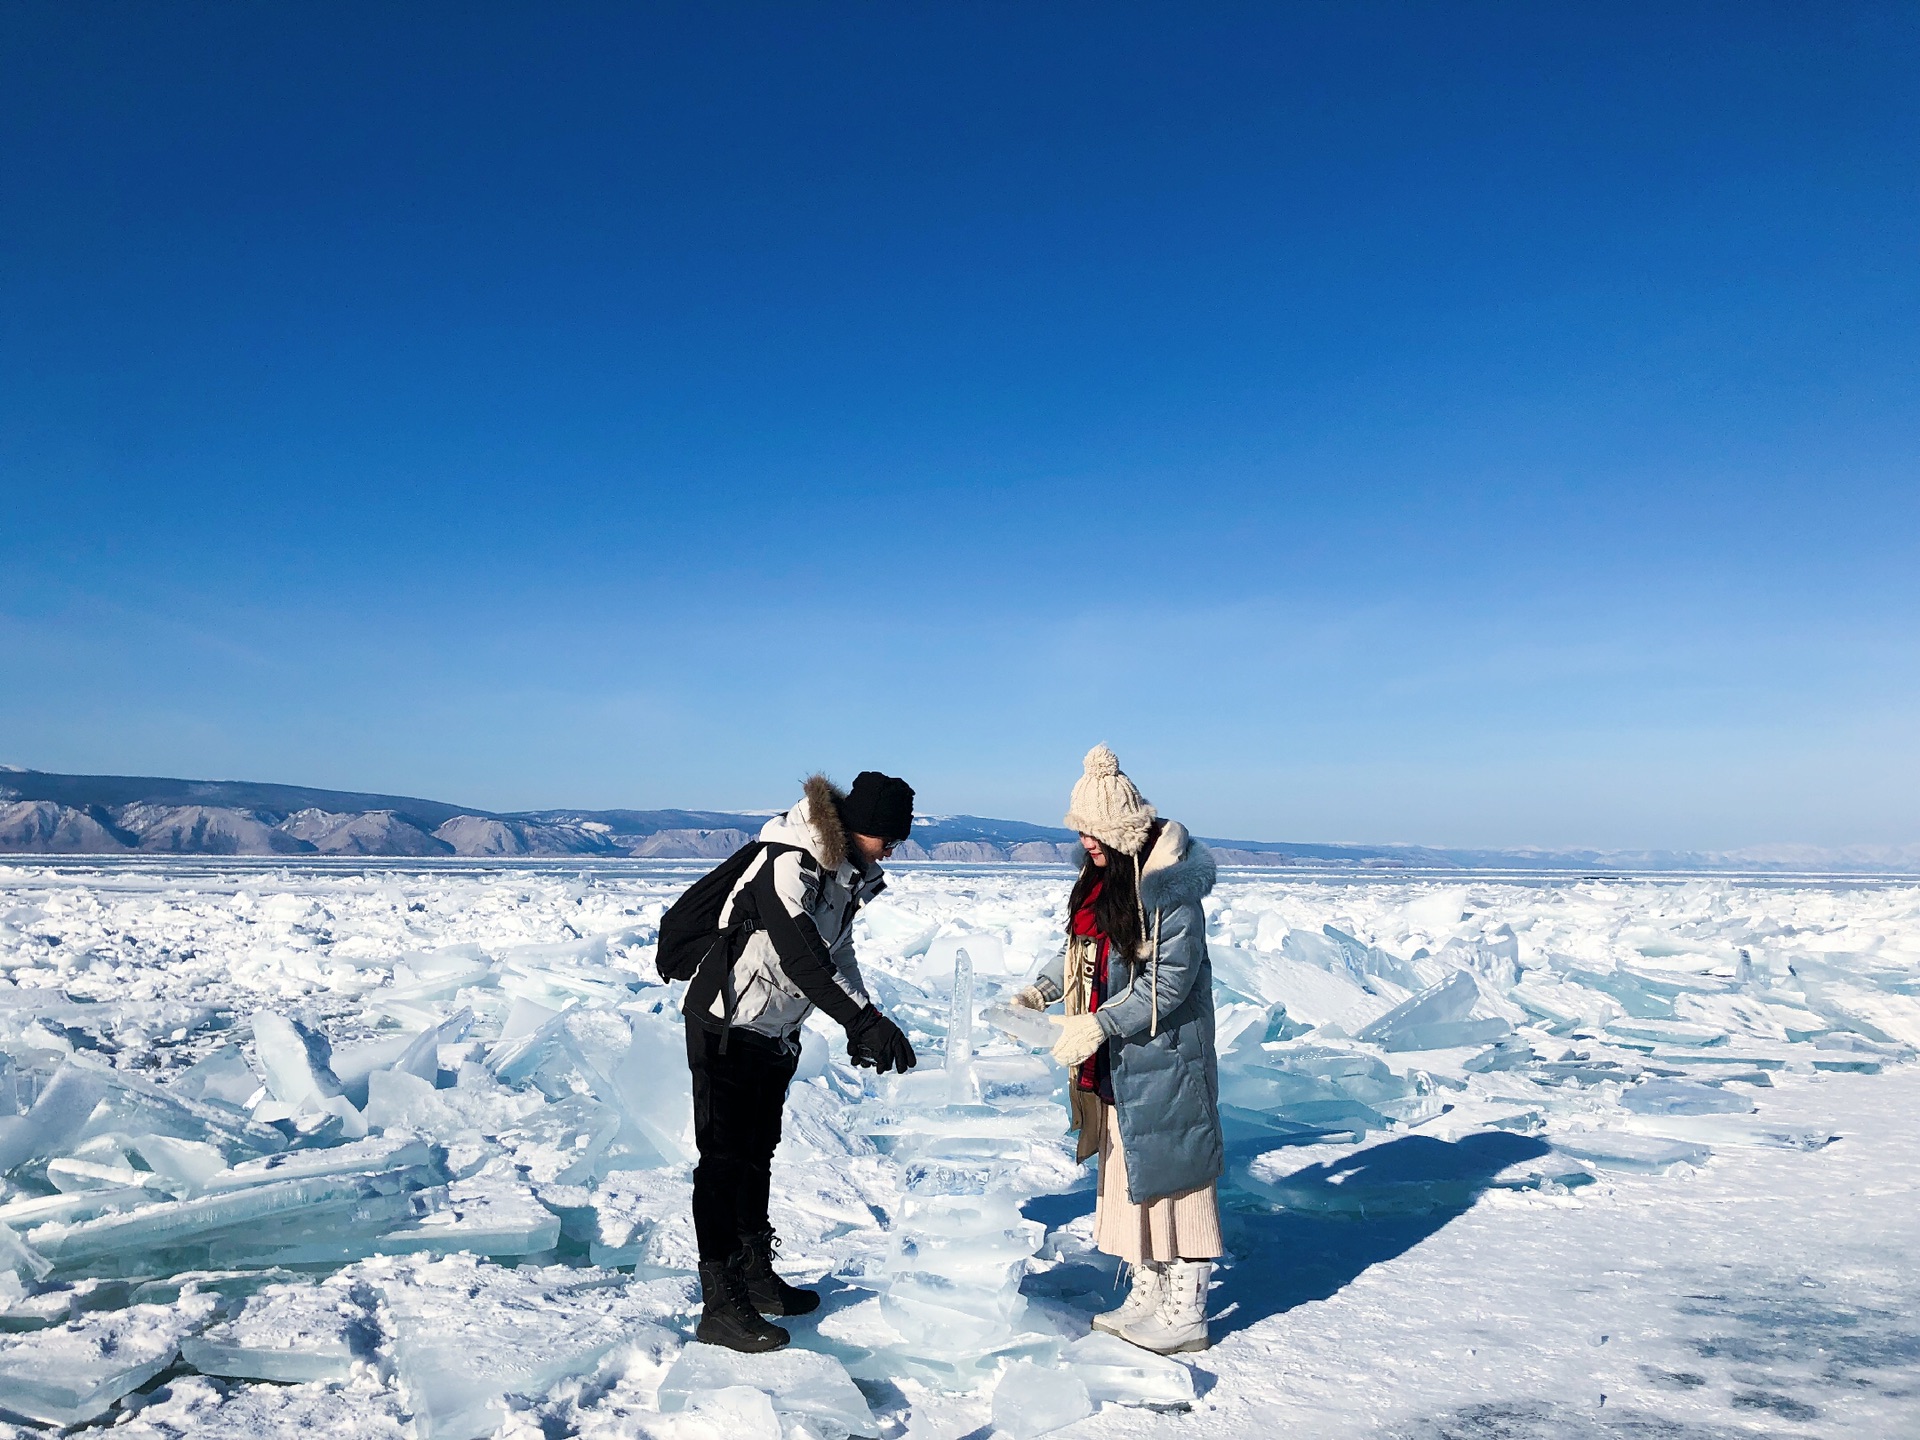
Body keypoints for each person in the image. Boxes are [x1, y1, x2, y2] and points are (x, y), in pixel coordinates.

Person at [684, 770, 919, 1352]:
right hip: (727, 1024)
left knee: (756, 1155)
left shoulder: (843, 875)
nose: (892, 849)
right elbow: (802, 955)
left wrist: (866, 1017)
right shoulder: (791, 862)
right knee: (723, 1161)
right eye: (886, 838)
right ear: (858, 827)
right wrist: (862, 1021)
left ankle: (757, 1279)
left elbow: (838, 951)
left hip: (774, 1028)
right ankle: (720, 1305)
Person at [1012, 744, 1223, 1354]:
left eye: (1095, 833)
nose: (1087, 844)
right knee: (1131, 1172)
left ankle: (1186, 1310)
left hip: (1165, 1058)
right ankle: (1149, 1292)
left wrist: (1100, 1025)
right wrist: (1043, 989)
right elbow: (1085, 950)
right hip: (1120, 1062)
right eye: (1081, 833)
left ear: (1124, 830)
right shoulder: (1105, 880)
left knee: (1178, 1176)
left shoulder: (1169, 892)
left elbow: (1169, 982)